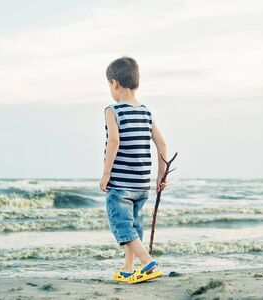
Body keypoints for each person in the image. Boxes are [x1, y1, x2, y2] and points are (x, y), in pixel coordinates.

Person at [100, 56, 168, 284]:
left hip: (120, 184)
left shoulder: (113, 110)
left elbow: (114, 142)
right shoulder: (146, 112)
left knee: (121, 225)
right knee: (134, 225)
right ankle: (128, 269)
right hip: (141, 185)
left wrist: (106, 174)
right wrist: (160, 175)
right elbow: (162, 144)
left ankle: (148, 263)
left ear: (115, 83)